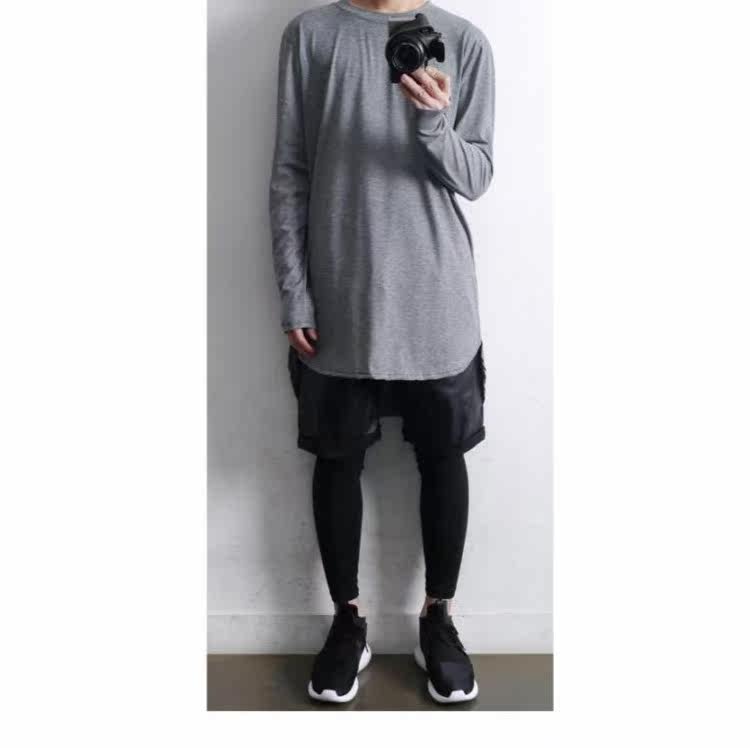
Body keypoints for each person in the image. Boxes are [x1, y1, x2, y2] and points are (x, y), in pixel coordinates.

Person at [268, 0, 494, 704]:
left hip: (437, 298)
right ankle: (348, 623)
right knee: (337, 460)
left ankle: (438, 619)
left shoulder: (464, 42)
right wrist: (295, 292)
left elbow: (477, 175)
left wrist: (431, 120)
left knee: (443, 456)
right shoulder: (310, 36)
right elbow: (290, 171)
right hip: (341, 296)